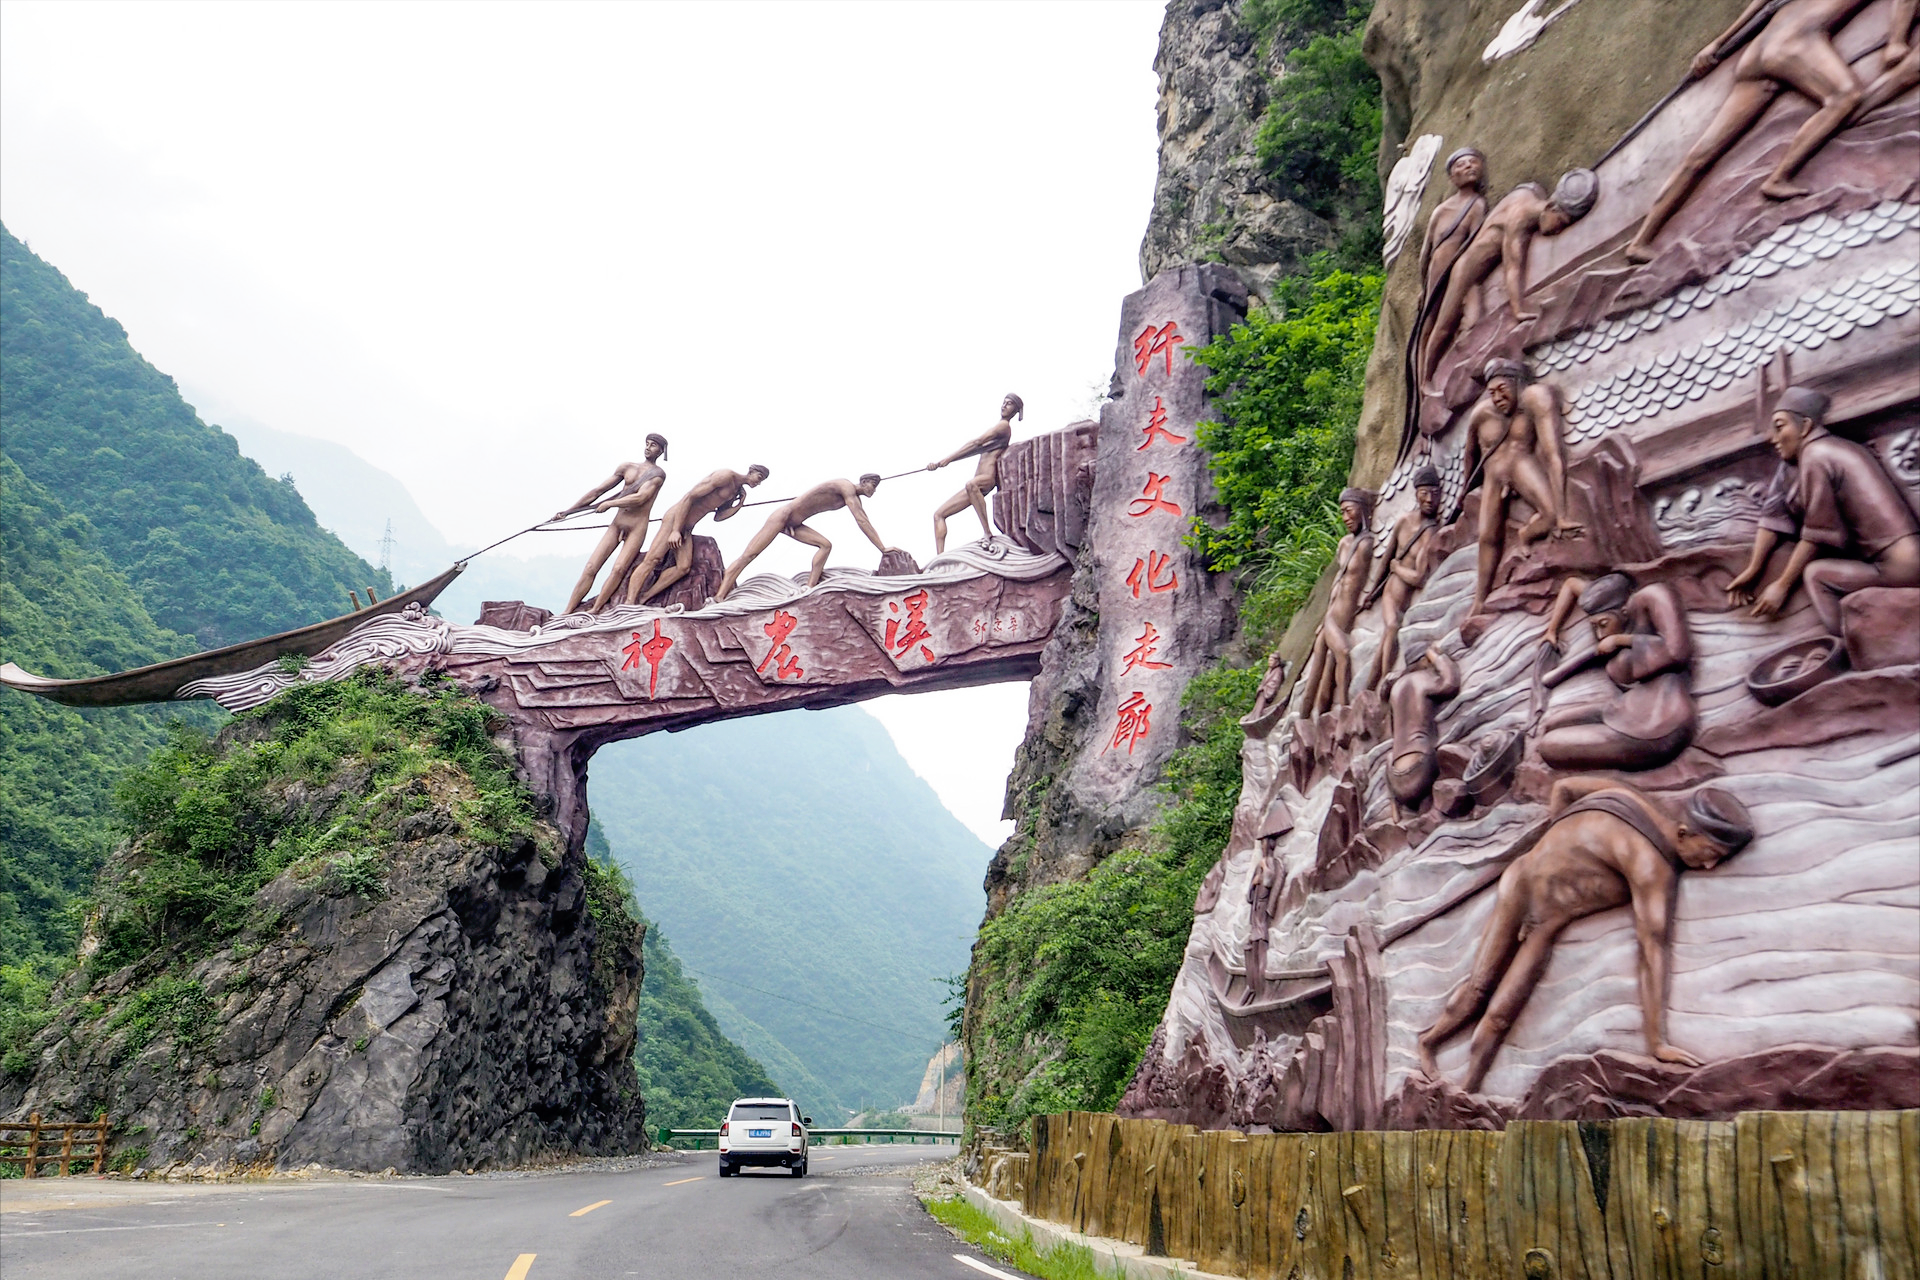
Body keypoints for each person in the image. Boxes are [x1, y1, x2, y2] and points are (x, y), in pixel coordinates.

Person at [1418, 777, 1754, 1092]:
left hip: (1546, 922)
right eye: (1709, 853)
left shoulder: (1625, 795)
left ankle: (1467, 1089)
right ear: (1684, 833)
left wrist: (1555, 844)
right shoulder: (1651, 868)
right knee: (1478, 988)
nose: (1709, 866)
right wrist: (1657, 1042)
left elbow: (1564, 789)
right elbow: (1652, 950)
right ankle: (1428, 1043)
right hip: (1519, 889)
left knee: (1501, 1015)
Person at [1626, 0, 1888, 262]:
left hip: (1758, 52)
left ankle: (1641, 241)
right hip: (1795, 43)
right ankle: (1779, 178)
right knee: (1845, 95)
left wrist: (1717, 43)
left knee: (1701, 156)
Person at [1725, 386, 1920, 631]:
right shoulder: (1807, 457)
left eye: (1779, 426)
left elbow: (1818, 533)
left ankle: (1849, 643)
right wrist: (1754, 569)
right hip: (1904, 559)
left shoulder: (1817, 455)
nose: (1772, 438)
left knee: (1816, 575)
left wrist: (1781, 586)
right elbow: (1774, 512)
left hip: (1901, 565)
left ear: (1805, 426)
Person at [1420, 170, 1597, 387]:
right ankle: (1426, 380)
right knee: (1444, 326)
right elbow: (1513, 269)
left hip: (1480, 279)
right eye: (1560, 221)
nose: (1558, 228)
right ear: (1550, 207)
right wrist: (1518, 309)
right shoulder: (1519, 220)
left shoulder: (1530, 193)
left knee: (1472, 329)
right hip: (1466, 272)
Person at [1532, 572, 1696, 771]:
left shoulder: (1652, 596)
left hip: (1658, 724)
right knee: (1551, 722)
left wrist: (1621, 640)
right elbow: (1571, 583)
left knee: (1550, 745)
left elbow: (1677, 651)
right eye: (1594, 627)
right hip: (1625, 708)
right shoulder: (1604, 596)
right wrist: (1552, 630)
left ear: (1624, 611)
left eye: (1603, 624)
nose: (1600, 634)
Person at [1461, 360, 1582, 621]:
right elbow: (1470, 456)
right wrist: (1464, 491)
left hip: (1521, 464)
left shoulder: (1534, 399)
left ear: (1517, 383)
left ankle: (1526, 534)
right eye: (1491, 392)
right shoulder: (1481, 414)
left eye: (1502, 389)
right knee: (1487, 536)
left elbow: (1553, 455)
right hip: (1494, 474)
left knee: (1549, 516)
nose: (1497, 398)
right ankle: (1480, 600)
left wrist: (1562, 514)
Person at [713, 474, 899, 601]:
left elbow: (861, 516)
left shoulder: (853, 498)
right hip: (782, 517)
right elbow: (861, 520)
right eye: (872, 485)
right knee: (749, 555)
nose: (873, 491)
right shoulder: (846, 486)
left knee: (825, 545)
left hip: (794, 523)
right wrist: (882, 548)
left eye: (875, 488)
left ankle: (809, 588)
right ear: (864, 481)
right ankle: (719, 596)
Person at [608, 464, 769, 609]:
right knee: (652, 559)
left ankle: (644, 598)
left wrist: (739, 503)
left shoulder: (736, 491)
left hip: (687, 527)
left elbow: (718, 517)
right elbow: (689, 497)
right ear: (751, 471)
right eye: (759, 477)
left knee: (683, 567)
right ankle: (629, 603)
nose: (758, 482)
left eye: (761, 481)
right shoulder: (725, 476)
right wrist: (675, 530)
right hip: (675, 520)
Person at [556, 434, 668, 615]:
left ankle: (596, 609)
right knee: (591, 567)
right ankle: (567, 611)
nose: (648, 448)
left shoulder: (658, 475)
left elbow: (641, 498)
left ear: (661, 451)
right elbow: (598, 492)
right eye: (647, 444)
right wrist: (568, 512)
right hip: (617, 524)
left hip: (636, 528)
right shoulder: (627, 467)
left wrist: (610, 504)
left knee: (618, 569)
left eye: (653, 445)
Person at [1364, 464, 1446, 690]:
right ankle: (1383, 681)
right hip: (1391, 593)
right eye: (1424, 493)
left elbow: (1419, 578)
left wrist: (1397, 568)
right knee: (1391, 628)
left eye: (1435, 494)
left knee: (1385, 644)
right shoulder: (1403, 522)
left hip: (1406, 599)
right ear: (1416, 494)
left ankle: (1372, 686)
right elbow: (1384, 561)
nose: (1430, 499)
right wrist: (1371, 593)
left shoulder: (1432, 533)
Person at [1298, 489, 1376, 716]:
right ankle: (1344, 709)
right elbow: (1337, 583)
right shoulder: (1344, 544)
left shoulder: (1368, 544)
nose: (1345, 518)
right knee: (1342, 652)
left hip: (1347, 616)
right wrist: (1324, 619)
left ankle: (1314, 718)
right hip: (1333, 616)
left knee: (1322, 675)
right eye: (1342, 512)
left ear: (1362, 510)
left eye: (1349, 511)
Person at [928, 394, 1021, 553]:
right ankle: (939, 559)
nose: (1004, 406)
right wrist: (938, 463)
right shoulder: (998, 428)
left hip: (985, 479)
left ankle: (987, 532)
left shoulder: (1003, 426)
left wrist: (948, 459)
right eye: (1004, 402)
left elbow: (976, 442)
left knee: (971, 484)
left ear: (1016, 410)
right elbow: (973, 449)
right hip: (975, 484)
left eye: (1010, 404)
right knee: (939, 515)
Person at [1386, 639, 1461, 811]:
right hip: (1422, 769)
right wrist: (1437, 657)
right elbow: (1450, 684)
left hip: (1396, 780)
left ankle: (1395, 807)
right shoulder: (1423, 679)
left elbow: (1391, 732)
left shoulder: (1395, 690)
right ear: (1424, 660)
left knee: (1394, 754)